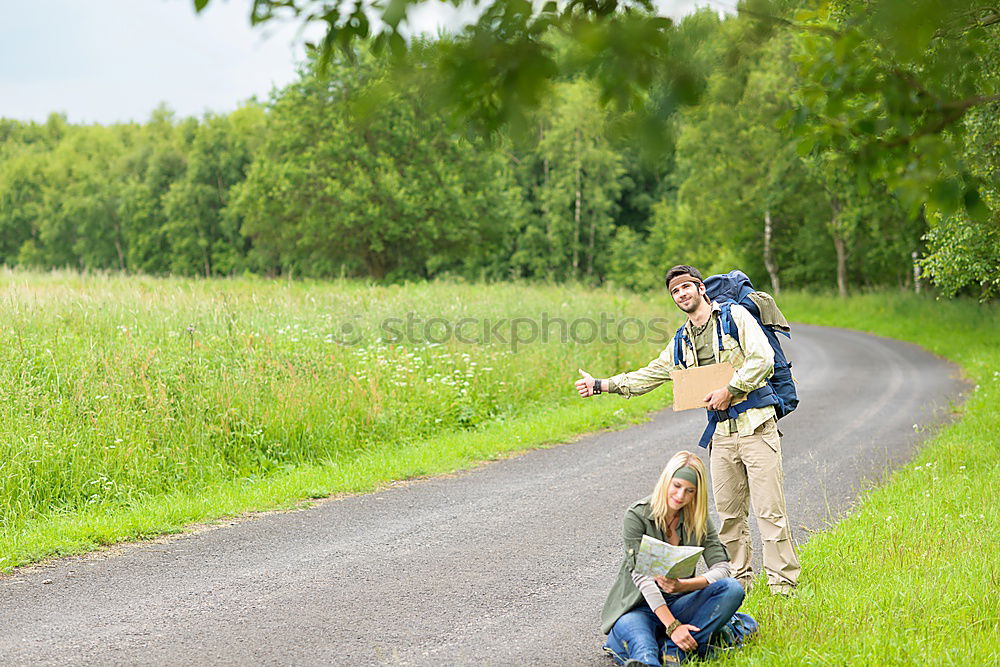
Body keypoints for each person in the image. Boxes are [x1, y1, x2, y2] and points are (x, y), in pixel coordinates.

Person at [577, 265, 800, 595]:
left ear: (700, 288)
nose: (681, 294)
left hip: (756, 427)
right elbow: (650, 374)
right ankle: (739, 586)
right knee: (728, 519)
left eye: (685, 287)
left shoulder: (734, 317)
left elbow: (763, 358)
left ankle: (784, 587)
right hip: (722, 436)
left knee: (770, 513)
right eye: (675, 292)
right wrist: (602, 385)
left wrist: (731, 389)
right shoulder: (681, 341)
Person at [601, 451, 747, 666]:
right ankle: (655, 657)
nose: (680, 496)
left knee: (732, 588)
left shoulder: (698, 519)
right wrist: (673, 627)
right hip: (638, 607)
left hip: (679, 603)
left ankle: (673, 651)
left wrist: (684, 585)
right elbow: (642, 578)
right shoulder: (637, 515)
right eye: (676, 486)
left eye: (690, 491)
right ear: (666, 480)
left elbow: (722, 567)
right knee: (643, 645)